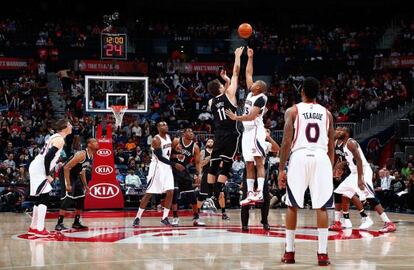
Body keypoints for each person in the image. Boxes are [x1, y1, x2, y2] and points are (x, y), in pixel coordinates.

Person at [278, 77, 334, 266]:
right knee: (322, 207)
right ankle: (322, 254)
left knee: (292, 205)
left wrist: (281, 169)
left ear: (302, 92)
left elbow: (286, 142)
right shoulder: (327, 113)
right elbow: (332, 145)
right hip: (321, 157)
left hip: (300, 156)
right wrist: (331, 167)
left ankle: (289, 252)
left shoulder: (293, 110)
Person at [225, 47, 268, 206]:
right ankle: (250, 193)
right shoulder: (252, 93)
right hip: (247, 132)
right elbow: (248, 73)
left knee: (258, 161)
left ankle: (260, 193)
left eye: (255, 83)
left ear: (259, 88)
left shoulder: (261, 98)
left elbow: (251, 116)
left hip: (256, 130)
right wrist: (250, 57)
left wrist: (236, 117)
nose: (252, 82)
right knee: (248, 163)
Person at [334, 126, 396, 233]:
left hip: (363, 171)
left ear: (347, 134)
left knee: (370, 196)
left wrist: (360, 179)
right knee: (338, 192)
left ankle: (389, 223)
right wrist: (339, 166)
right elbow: (351, 161)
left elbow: (359, 160)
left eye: (341, 130)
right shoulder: (343, 145)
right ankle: (338, 222)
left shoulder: (350, 143)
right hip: (354, 172)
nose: (338, 132)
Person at [206, 46, 244, 220]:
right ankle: (216, 194)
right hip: (231, 134)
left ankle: (211, 196)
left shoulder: (211, 102)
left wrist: (225, 82)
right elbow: (236, 74)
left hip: (219, 135)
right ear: (221, 88)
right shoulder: (228, 94)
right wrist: (237, 57)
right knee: (226, 166)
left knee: (213, 166)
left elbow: (222, 94)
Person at [132, 122, 184, 226]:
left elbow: (168, 154)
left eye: (166, 124)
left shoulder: (168, 137)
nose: (166, 126)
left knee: (170, 191)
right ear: (158, 128)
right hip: (157, 167)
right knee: (149, 193)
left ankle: (164, 218)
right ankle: (137, 217)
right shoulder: (156, 139)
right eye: (163, 125)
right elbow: (160, 157)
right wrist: (175, 164)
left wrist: (177, 155)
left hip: (167, 167)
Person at [28, 119, 73, 237]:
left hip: (37, 166)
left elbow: (48, 156)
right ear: (64, 128)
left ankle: (33, 227)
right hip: (40, 169)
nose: (71, 126)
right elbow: (48, 157)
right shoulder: (59, 140)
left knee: (40, 197)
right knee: (45, 197)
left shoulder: (54, 137)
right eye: (69, 125)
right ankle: (39, 228)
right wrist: (48, 174)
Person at [55, 138, 98, 231]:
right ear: (89, 144)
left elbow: (82, 171)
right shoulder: (82, 154)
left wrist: (86, 186)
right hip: (66, 173)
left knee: (81, 198)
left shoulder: (91, 156)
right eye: (94, 142)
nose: (97, 143)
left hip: (75, 175)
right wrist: (68, 184)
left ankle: (76, 223)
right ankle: (59, 223)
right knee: (68, 198)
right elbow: (66, 167)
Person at [241, 128, 279, 231]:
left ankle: (265, 221)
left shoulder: (265, 144)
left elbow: (276, 148)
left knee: (265, 198)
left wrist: (268, 137)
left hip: (260, 173)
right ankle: (244, 223)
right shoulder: (249, 140)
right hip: (249, 171)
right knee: (246, 197)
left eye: (267, 131)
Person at [170, 128, 204, 226]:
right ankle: (175, 217)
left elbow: (197, 162)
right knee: (175, 193)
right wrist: (176, 156)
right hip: (173, 171)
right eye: (189, 131)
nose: (191, 133)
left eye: (192, 132)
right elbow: (167, 155)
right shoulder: (176, 141)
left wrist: (199, 174)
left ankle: (196, 217)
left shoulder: (195, 147)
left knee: (192, 195)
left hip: (184, 172)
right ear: (184, 134)